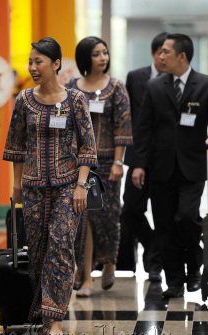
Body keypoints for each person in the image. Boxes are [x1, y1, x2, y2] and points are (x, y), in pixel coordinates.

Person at [3, 37, 97, 335]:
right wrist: (16, 187)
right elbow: (15, 146)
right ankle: (45, 311)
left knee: (60, 246)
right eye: (30, 62)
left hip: (67, 185)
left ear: (55, 64)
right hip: (31, 188)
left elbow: (87, 145)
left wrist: (81, 185)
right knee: (39, 253)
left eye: (38, 62)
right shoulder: (24, 100)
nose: (32, 68)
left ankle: (55, 319)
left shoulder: (75, 100)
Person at [133, 33, 208, 298]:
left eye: (165, 52)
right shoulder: (154, 87)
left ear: (182, 56)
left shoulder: (207, 85)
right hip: (160, 167)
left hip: (192, 166)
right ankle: (174, 281)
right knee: (164, 225)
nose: (160, 57)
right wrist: (139, 165)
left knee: (186, 218)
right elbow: (144, 129)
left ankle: (194, 268)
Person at [66, 36, 132, 298]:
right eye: (96, 54)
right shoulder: (72, 88)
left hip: (108, 163)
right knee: (84, 218)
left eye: (105, 53)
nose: (103, 58)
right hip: (80, 164)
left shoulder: (116, 87)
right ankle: (84, 275)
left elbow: (123, 127)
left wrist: (119, 161)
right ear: (86, 58)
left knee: (109, 216)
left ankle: (110, 262)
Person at [123, 32, 167, 283]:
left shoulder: (175, 79)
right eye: (160, 51)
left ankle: (154, 262)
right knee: (131, 209)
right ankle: (153, 248)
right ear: (152, 53)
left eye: (167, 52)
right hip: (138, 156)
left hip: (164, 159)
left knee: (163, 213)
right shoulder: (136, 77)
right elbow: (130, 118)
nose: (163, 57)